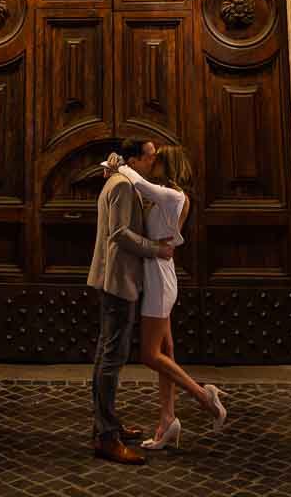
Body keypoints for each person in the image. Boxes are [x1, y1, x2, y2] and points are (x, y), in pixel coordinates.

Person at [106, 145, 227, 449]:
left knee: (150, 355)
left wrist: (117, 163)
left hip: (159, 278)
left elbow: (139, 184)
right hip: (158, 272)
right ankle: (168, 420)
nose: (153, 162)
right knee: (167, 351)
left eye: (157, 159)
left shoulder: (173, 196)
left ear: (168, 164)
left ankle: (204, 397)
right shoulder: (166, 195)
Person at [87, 139, 175, 465]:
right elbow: (120, 233)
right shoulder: (123, 186)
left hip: (112, 279)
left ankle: (105, 425)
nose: (154, 162)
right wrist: (157, 249)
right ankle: (106, 437)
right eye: (150, 156)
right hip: (119, 281)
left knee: (106, 355)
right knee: (113, 357)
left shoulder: (120, 179)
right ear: (135, 159)